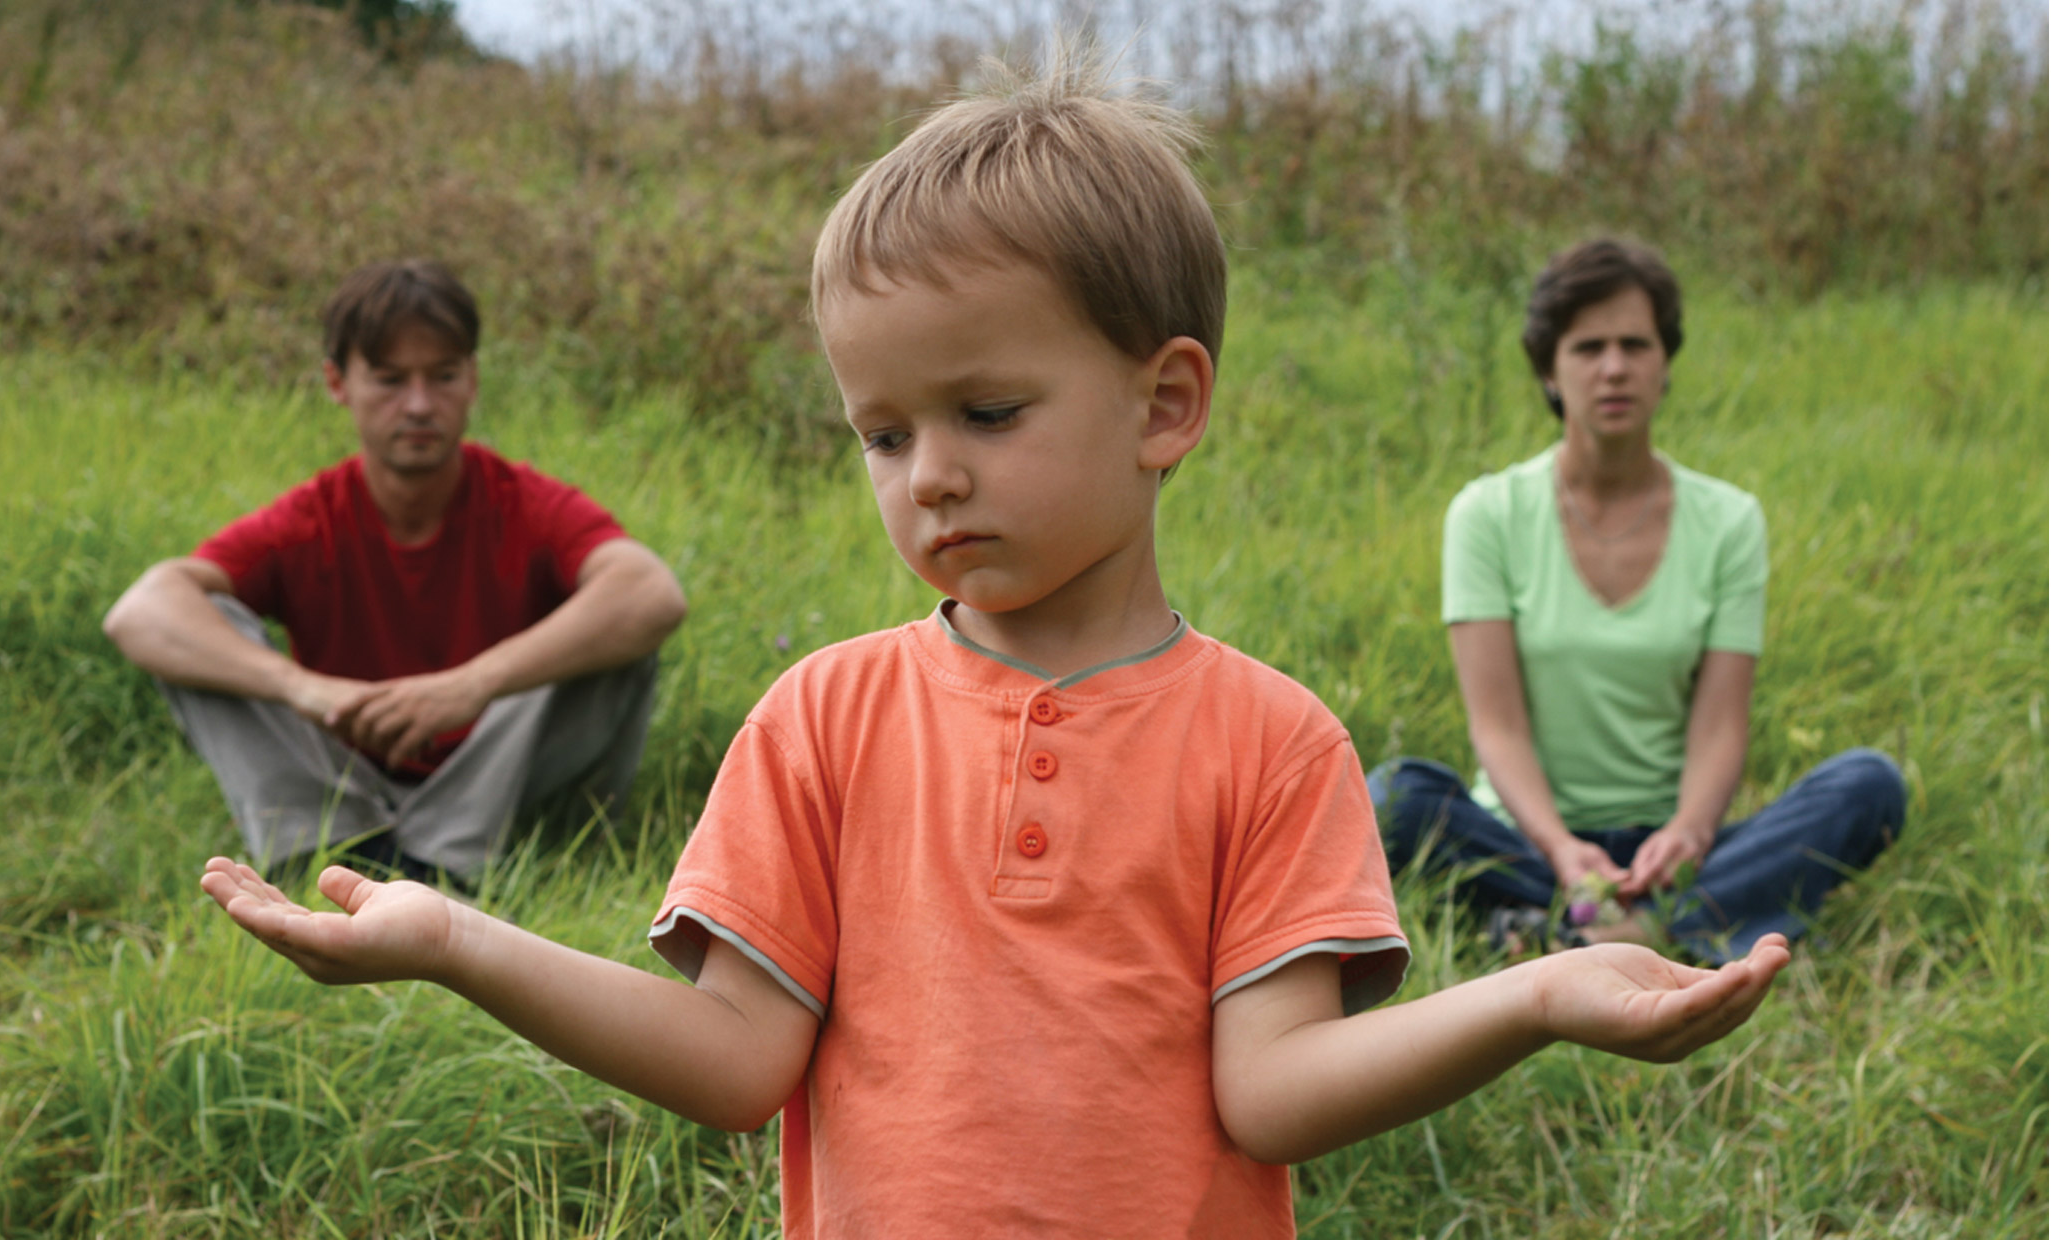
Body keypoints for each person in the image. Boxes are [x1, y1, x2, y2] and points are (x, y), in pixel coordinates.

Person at [198, 61, 1790, 1238]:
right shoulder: (826, 717)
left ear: (1165, 403)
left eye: (987, 412)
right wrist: (456, 945)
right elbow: (737, 1058)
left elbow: (1272, 1095)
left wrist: (1537, 999)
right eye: (880, 433)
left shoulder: (1270, 739)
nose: (930, 475)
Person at [1371, 238, 1905, 962]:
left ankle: (1587, 927)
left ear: (1665, 365)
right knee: (1394, 796)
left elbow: (1720, 727)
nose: (1615, 367)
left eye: (1636, 345)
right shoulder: (1487, 514)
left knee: (1868, 785)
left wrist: (1687, 834)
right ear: (1550, 370)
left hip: (1670, 848)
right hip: (1529, 837)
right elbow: (1496, 730)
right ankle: (1656, 921)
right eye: (1589, 347)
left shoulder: (1728, 520)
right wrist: (1561, 848)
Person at [107, 259, 687, 887]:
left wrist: (469, 686)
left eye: (442, 377)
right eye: (389, 380)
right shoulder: (312, 518)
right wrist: (305, 688)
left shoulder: (522, 501)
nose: (418, 405)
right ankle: (345, 850)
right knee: (202, 622)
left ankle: (450, 863)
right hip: (347, 778)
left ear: (472, 380)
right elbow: (140, 611)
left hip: (498, 786)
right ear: (338, 383)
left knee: (615, 629)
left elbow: (651, 591)